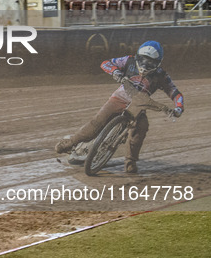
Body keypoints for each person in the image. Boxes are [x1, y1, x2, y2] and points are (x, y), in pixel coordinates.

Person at [55, 41, 184, 173]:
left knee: (141, 128)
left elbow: (175, 93)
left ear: (157, 63)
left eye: (150, 62)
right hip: (119, 98)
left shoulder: (161, 75)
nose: (145, 65)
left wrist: (179, 108)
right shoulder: (128, 60)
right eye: (143, 60)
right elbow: (105, 63)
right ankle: (69, 143)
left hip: (138, 106)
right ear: (137, 56)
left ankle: (130, 162)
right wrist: (115, 71)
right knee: (97, 123)